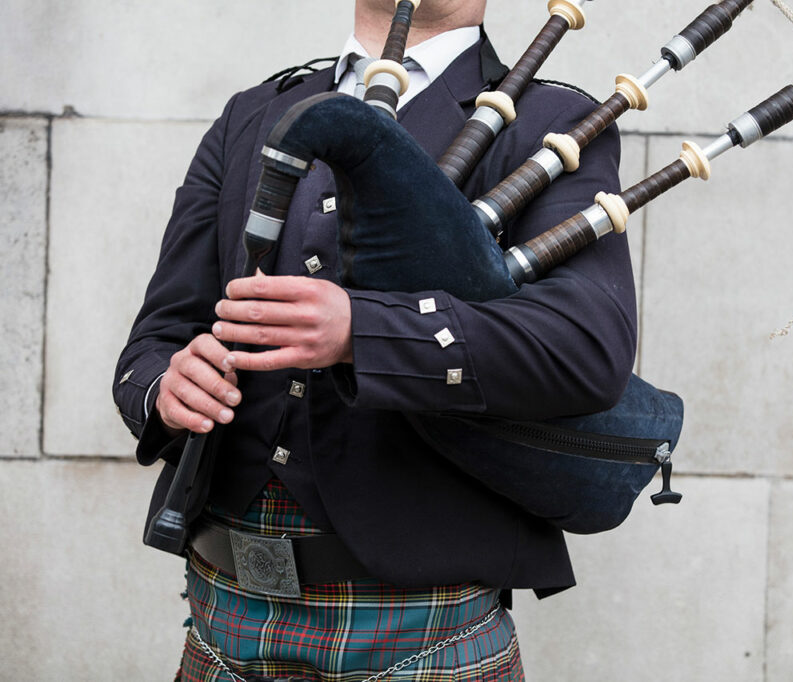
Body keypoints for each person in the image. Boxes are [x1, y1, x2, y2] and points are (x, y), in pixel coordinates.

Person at [113, 0, 636, 678]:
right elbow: (155, 339)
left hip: (422, 625)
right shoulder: (253, 112)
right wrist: (168, 386)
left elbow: (584, 348)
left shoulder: (552, 121)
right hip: (223, 608)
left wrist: (362, 333)